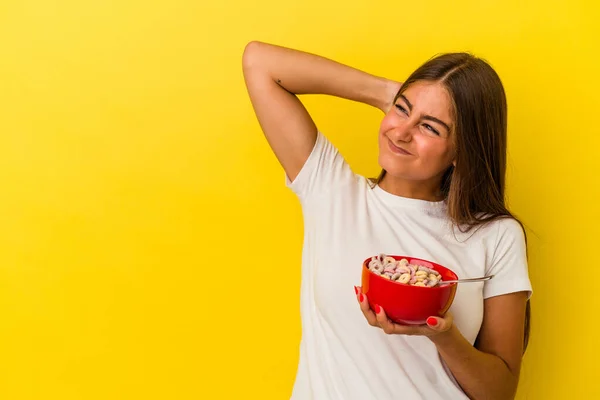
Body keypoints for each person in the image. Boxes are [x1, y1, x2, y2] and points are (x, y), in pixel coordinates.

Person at [242, 41, 532, 400]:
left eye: (430, 127)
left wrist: (442, 334)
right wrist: (385, 93)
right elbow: (259, 62)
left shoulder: (496, 235)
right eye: (401, 110)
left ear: (463, 151)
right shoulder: (331, 191)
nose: (401, 132)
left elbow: (500, 392)